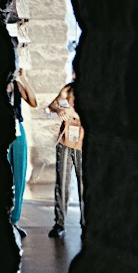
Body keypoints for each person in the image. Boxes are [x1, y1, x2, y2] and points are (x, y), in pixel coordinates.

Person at [47, 77, 84, 238]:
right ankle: (60, 223)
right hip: (65, 142)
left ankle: (86, 224)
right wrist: (59, 110)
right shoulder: (68, 89)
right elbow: (53, 105)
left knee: (84, 186)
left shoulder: (92, 90)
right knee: (62, 183)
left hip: (82, 144)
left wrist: (73, 112)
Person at [8, 69, 37, 231]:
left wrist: (24, 78)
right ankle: (3, 217)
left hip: (17, 128)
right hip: (2, 129)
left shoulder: (16, 85)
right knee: (4, 174)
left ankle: (14, 219)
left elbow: (33, 102)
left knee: (19, 174)